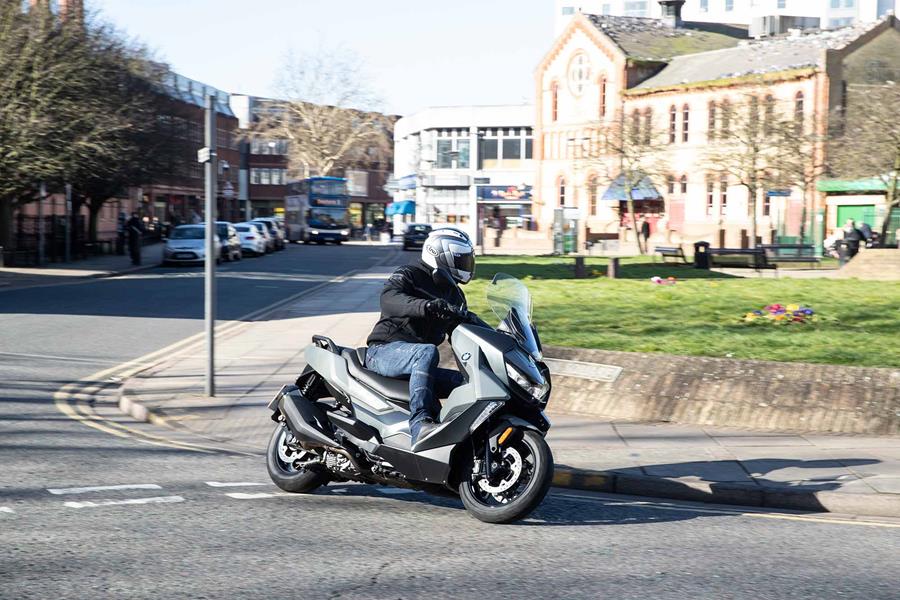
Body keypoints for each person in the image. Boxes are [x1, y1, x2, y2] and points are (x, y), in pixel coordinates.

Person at [365, 228, 475, 448]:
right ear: (441, 254)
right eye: (461, 259)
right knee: (426, 351)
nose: (466, 265)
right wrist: (426, 306)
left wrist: (502, 336)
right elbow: (389, 299)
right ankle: (420, 424)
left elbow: (467, 325)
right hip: (384, 351)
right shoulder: (409, 273)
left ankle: (455, 440)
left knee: (469, 384)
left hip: (417, 360)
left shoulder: (455, 294)